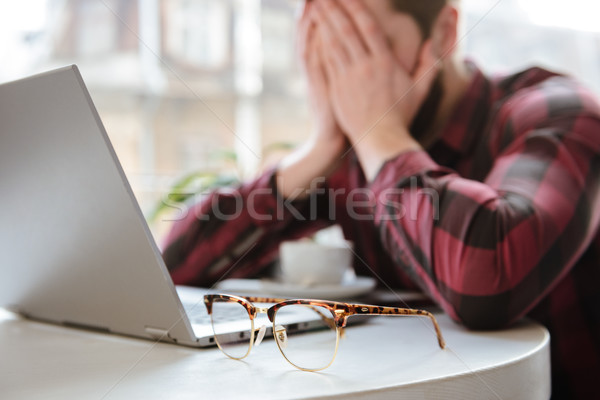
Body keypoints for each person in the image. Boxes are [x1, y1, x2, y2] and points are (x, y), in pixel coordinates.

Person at [162, 0, 600, 398]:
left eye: (363, 48)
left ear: (445, 34)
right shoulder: (346, 152)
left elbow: (485, 278)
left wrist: (383, 136)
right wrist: (316, 152)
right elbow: (175, 270)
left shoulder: (556, 113)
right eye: (327, 52)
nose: (347, 81)